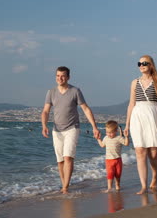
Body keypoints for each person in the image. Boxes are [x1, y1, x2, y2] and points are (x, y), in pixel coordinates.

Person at [41, 66, 100, 194]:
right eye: (57, 76)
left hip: (72, 128)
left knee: (68, 157)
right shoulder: (51, 92)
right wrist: (44, 125)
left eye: (62, 76)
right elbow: (46, 111)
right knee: (60, 160)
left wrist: (94, 127)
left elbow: (85, 109)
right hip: (56, 130)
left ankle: (65, 187)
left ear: (68, 77)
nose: (60, 78)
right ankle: (64, 184)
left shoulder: (75, 91)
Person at [123, 55, 157, 194]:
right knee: (140, 151)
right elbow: (131, 104)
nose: (141, 65)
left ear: (151, 65)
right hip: (137, 116)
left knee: (153, 152)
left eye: (144, 63)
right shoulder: (134, 82)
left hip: (153, 116)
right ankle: (143, 186)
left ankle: (155, 177)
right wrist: (127, 124)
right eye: (139, 63)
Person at [97, 120, 129, 192]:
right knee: (110, 174)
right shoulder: (105, 138)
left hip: (118, 160)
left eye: (111, 133)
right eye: (107, 132)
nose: (109, 134)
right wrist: (98, 139)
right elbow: (102, 145)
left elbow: (126, 143)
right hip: (109, 160)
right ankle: (109, 188)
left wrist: (126, 137)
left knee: (118, 175)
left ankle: (117, 186)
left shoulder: (119, 138)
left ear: (116, 131)